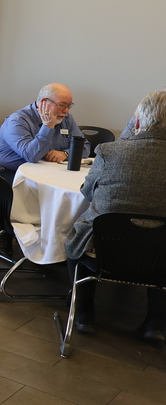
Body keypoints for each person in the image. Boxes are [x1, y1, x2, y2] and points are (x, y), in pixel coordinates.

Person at [64, 90, 166, 342]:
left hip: (105, 249)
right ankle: (156, 322)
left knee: (78, 235)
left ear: (138, 122)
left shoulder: (110, 152)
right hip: (160, 255)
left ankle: (84, 312)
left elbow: (87, 192)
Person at [0, 83, 88, 171]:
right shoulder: (17, 120)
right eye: (62, 105)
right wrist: (48, 126)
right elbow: (31, 156)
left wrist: (65, 154)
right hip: (10, 173)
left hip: (48, 170)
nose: (66, 111)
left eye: (69, 106)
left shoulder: (66, 119)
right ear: (44, 102)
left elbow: (84, 147)